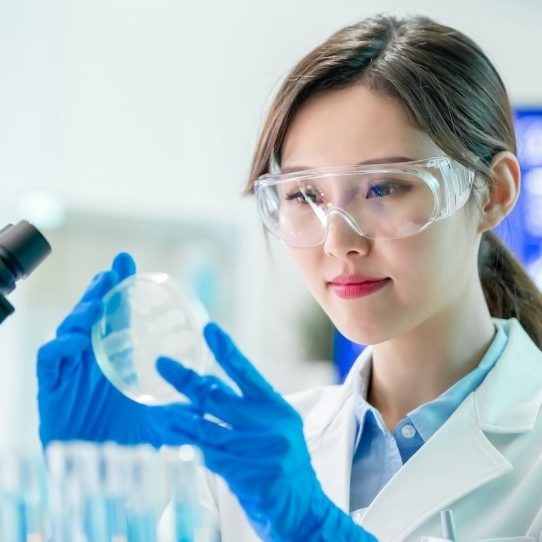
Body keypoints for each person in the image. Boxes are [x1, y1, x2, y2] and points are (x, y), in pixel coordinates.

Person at [36, 14, 542, 541]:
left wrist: (314, 529)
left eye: (386, 188)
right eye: (305, 196)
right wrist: (104, 502)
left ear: (495, 193)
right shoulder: (248, 458)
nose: (338, 241)